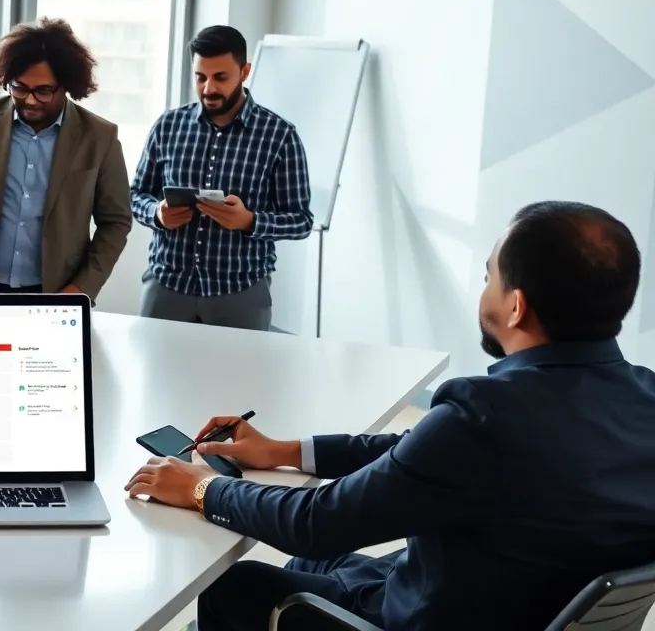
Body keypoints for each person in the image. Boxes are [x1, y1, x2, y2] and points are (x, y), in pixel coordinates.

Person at [125, 200, 655, 630]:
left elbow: (319, 523)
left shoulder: (484, 416)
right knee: (312, 567)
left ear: (515, 306)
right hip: (513, 602)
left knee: (236, 586)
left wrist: (201, 489)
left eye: (489, 276)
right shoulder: (645, 399)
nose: (483, 290)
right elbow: (422, 451)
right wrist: (285, 451)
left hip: (430, 615)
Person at [0, 18, 132, 297]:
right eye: (20, 87)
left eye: (44, 91)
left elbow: (116, 222)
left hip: (56, 293)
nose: (30, 100)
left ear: (67, 85)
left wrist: (82, 287)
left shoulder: (99, 136)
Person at [130, 25, 313, 331]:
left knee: (240, 380)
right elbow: (136, 195)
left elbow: (301, 220)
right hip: (166, 287)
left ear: (245, 71)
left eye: (220, 77)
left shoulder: (280, 136)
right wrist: (157, 213)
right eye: (200, 77)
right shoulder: (168, 126)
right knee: (153, 376)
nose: (208, 88)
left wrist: (249, 222)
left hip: (240, 295)